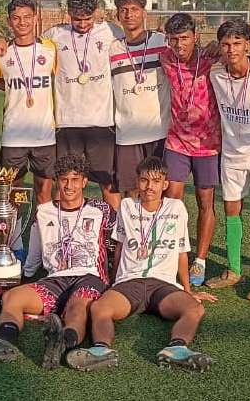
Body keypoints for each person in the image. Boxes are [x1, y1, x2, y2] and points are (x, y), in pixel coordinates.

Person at [0, 153, 116, 370]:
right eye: (64, 179)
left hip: (89, 276)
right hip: (54, 280)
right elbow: (34, 254)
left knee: (77, 306)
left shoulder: (101, 210)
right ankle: (3, 342)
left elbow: (114, 246)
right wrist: (21, 276)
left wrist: (114, 280)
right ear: (57, 181)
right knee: (12, 297)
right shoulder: (43, 211)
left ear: (84, 182)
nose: (69, 185)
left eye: (75, 179)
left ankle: (62, 342)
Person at [66, 157, 217, 372]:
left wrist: (187, 290)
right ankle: (101, 351)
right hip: (130, 282)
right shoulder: (127, 206)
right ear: (137, 182)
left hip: (163, 284)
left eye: (156, 181)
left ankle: (177, 349)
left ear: (165, 184)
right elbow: (119, 246)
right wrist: (112, 281)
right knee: (100, 307)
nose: (149, 186)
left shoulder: (177, 208)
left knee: (195, 308)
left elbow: (181, 252)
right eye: (144, 180)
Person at [205, 20, 250, 301]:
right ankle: (234, 270)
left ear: (248, 44)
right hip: (231, 154)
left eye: (237, 43)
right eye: (226, 44)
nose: (231, 49)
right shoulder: (215, 72)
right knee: (231, 209)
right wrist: (208, 47)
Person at [43, 0, 123, 210]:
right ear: (68, 12)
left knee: (109, 184)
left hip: (101, 123)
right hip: (67, 123)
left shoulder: (112, 32)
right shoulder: (54, 35)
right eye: (77, 18)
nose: (83, 24)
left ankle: (115, 230)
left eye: (88, 18)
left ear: (96, 11)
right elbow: (28, 47)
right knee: (65, 183)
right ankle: (61, 228)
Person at [160, 13, 222, 286]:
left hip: (208, 145)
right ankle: (171, 255)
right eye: (174, 39)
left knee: (204, 202)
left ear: (195, 36)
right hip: (176, 142)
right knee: (171, 201)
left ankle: (200, 260)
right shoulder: (165, 57)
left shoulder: (211, 58)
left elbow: (238, 55)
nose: (179, 44)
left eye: (184, 38)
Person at [0, 0, 56, 206]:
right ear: (9, 21)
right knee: (12, 192)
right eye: (16, 18)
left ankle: (41, 228)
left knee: (43, 193)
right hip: (13, 135)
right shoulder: (0, 53)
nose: (22, 22)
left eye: (27, 17)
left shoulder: (51, 49)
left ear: (35, 18)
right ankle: (14, 229)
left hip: (45, 135)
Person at [109, 0, 171, 199]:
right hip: (128, 132)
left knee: (161, 189)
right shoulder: (113, 48)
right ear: (117, 15)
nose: (129, 14)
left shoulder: (163, 42)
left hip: (160, 130)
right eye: (124, 10)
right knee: (133, 190)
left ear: (145, 13)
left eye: (134, 9)